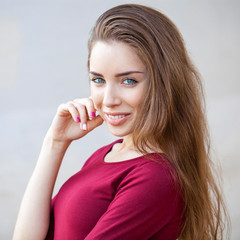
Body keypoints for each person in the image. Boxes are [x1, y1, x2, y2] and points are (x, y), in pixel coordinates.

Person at [13, 4, 229, 240]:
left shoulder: (156, 177)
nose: (108, 100)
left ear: (165, 83)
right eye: (98, 80)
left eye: (128, 81)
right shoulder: (107, 154)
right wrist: (54, 143)